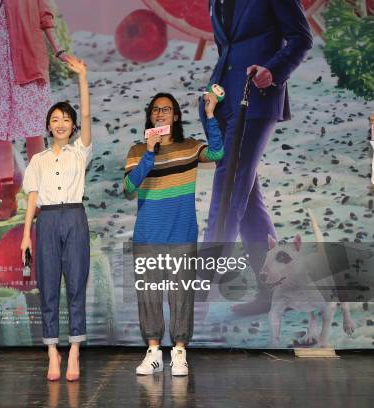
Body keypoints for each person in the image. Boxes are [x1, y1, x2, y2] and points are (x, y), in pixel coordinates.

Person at [202, 0, 313, 315]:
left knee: (228, 190)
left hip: (256, 98)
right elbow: (229, 46)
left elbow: (301, 38)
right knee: (247, 200)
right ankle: (276, 290)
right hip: (223, 101)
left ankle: (201, 288)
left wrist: (273, 70)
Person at [124, 92, 224, 376]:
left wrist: (211, 114)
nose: (160, 113)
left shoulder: (190, 147)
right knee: (149, 297)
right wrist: (149, 154)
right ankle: (153, 351)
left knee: (181, 296)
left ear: (176, 116)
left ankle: (179, 352)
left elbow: (217, 153)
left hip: (182, 235)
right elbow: (129, 188)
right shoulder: (136, 151)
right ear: (150, 116)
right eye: (155, 109)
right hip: (147, 236)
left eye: (166, 109)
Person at [0, 0, 73, 221]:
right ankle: (7, 199)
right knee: (1, 135)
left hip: (28, 65)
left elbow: (44, 17)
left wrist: (59, 51)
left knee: (34, 132)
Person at [20, 56, 91, 382]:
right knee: (48, 287)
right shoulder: (38, 159)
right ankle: (52, 350)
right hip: (46, 222)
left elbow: (88, 114)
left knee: (76, 286)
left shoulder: (80, 152)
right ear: (48, 126)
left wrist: (83, 78)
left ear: (73, 126)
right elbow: (32, 198)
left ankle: (74, 349)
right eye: (55, 119)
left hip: (74, 217)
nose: (60, 123)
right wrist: (24, 236)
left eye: (66, 119)